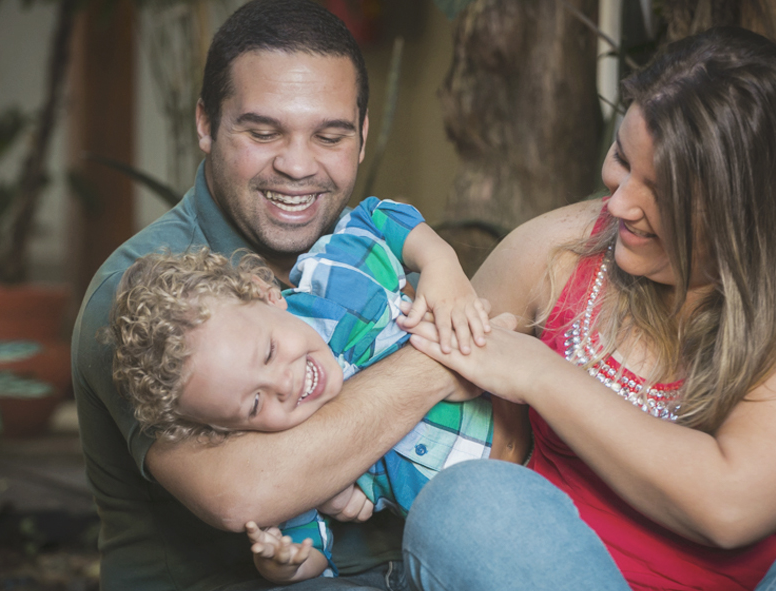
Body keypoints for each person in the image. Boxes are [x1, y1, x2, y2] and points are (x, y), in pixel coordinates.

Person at [71, 1, 528, 589]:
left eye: (330, 136)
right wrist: (449, 359)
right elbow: (243, 493)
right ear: (206, 124)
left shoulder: (356, 253)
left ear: (362, 138)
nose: (296, 165)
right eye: (263, 132)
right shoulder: (144, 303)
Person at [401, 26, 776, 591]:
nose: (620, 202)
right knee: (471, 505)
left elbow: (730, 503)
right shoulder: (561, 249)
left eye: (663, 189)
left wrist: (539, 372)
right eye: (622, 159)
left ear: (750, 211)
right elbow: (401, 380)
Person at [107, 197, 497, 584]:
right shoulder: (291, 453)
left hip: (530, 414)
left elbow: (379, 215)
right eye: (254, 403)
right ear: (230, 431)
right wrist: (283, 562)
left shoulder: (338, 281)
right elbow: (309, 552)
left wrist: (440, 263)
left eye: (269, 352)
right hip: (483, 522)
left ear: (266, 294)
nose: (283, 384)